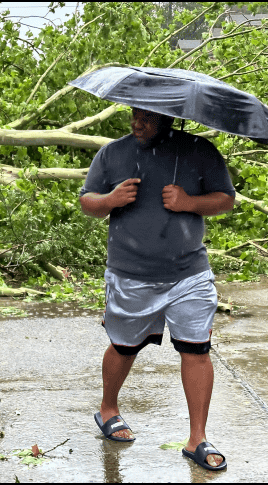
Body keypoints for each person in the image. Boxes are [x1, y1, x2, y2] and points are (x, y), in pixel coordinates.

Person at [79, 107, 236, 471]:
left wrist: (189, 203)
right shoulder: (113, 153)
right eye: (134, 115)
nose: (137, 123)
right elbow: (88, 201)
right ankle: (108, 409)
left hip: (189, 274)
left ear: (168, 117)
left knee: (197, 351)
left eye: (147, 118)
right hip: (130, 274)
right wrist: (110, 200)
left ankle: (197, 439)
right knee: (124, 346)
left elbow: (225, 200)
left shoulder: (199, 151)